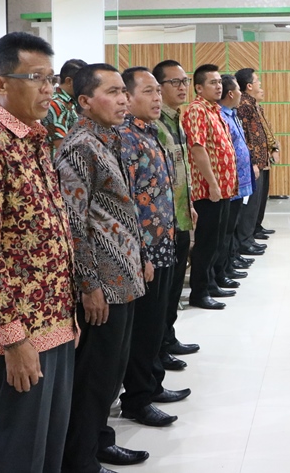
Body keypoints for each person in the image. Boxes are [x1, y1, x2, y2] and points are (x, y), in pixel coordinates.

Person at [0, 32, 76, 473]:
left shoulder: (34, 139)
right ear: (1, 84)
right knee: (17, 452)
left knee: (49, 448)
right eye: (36, 78)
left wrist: (69, 315)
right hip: (20, 330)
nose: (48, 89)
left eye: (51, 78)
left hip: (56, 317)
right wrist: (14, 338)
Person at [55, 63, 150, 473]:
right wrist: (89, 284)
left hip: (123, 275)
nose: (123, 99)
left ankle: (100, 443)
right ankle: (81, 461)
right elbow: (74, 222)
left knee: (111, 374)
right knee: (94, 378)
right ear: (84, 101)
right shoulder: (79, 147)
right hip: (103, 285)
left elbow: (120, 210)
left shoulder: (109, 139)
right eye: (112, 92)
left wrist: (140, 256)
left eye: (123, 92)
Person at [117, 67, 188, 428]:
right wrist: (141, 254)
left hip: (163, 242)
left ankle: (151, 385)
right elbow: (127, 203)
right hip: (143, 252)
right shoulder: (125, 139)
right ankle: (137, 399)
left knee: (155, 324)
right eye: (149, 91)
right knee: (143, 329)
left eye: (159, 91)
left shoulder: (150, 132)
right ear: (127, 98)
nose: (158, 97)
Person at [152, 60, 200, 367]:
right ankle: (159, 348)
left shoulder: (176, 120)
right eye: (175, 82)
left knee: (173, 288)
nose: (183, 87)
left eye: (185, 81)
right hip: (163, 222)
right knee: (163, 293)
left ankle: (168, 339)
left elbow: (181, 171)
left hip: (180, 215)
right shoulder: (154, 125)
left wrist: (189, 204)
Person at [182, 64, 238, 310]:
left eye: (219, 82)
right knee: (206, 243)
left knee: (217, 240)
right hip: (208, 191)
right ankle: (199, 292)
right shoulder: (197, 110)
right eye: (212, 83)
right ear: (198, 88)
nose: (218, 86)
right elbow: (197, 148)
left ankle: (211, 283)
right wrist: (213, 184)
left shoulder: (214, 109)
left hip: (223, 189)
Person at [235, 68, 278, 244]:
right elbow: (245, 136)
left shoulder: (252, 104)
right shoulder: (244, 106)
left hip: (260, 159)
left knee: (258, 199)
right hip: (253, 162)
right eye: (257, 81)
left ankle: (253, 231)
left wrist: (273, 148)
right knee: (251, 203)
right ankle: (246, 238)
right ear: (249, 85)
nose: (260, 84)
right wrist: (252, 161)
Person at [217, 75, 252, 287]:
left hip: (241, 182)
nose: (241, 93)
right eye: (238, 89)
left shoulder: (232, 114)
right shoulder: (221, 116)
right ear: (230, 93)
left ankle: (230, 263)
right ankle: (222, 269)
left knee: (232, 226)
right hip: (231, 183)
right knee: (226, 229)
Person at [44, 58, 87, 156]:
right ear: (69, 81)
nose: (86, 87)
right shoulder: (56, 104)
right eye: (83, 83)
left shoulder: (72, 102)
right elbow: (62, 146)